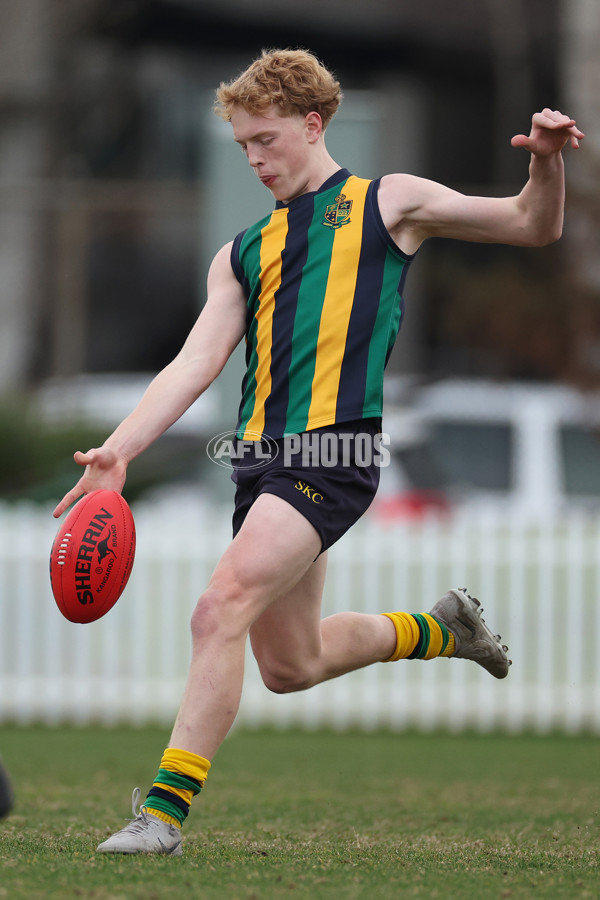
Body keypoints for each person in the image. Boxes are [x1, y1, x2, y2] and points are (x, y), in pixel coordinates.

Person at [53, 49, 584, 856]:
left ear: (312, 124)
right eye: (241, 147)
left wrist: (545, 167)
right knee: (290, 666)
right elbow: (195, 363)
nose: (255, 158)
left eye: (265, 140)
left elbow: (531, 224)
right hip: (260, 464)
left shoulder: (387, 203)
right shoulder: (241, 252)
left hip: (333, 456)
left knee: (217, 606)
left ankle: (161, 816)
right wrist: (119, 452)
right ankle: (440, 629)